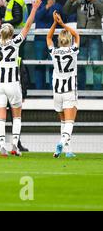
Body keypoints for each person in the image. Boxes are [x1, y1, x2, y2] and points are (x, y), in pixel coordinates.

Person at [0, 0, 42, 157]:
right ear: (12, 33)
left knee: (1, 118)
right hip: (13, 84)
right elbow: (27, 26)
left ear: (1, 33)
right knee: (17, 117)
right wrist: (33, 9)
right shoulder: (16, 42)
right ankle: (15, 146)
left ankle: (1, 146)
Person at [47, 11, 80, 158]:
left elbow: (48, 37)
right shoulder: (73, 50)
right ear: (69, 40)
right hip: (69, 89)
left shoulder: (54, 51)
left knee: (63, 121)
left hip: (57, 91)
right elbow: (77, 35)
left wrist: (54, 23)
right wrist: (62, 23)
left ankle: (67, 150)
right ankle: (61, 142)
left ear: (59, 40)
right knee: (70, 121)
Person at [63, 0, 103, 90]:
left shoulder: (99, 0)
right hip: (82, 37)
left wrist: (93, 0)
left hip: (95, 37)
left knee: (97, 65)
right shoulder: (80, 2)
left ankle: (97, 91)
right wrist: (70, 0)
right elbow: (66, 11)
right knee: (80, 65)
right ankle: (80, 90)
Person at [34, 0, 62, 90]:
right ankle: (38, 90)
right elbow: (37, 17)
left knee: (53, 64)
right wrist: (47, 7)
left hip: (53, 39)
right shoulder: (37, 3)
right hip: (40, 39)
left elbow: (62, 19)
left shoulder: (57, 5)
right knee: (39, 64)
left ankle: (53, 89)